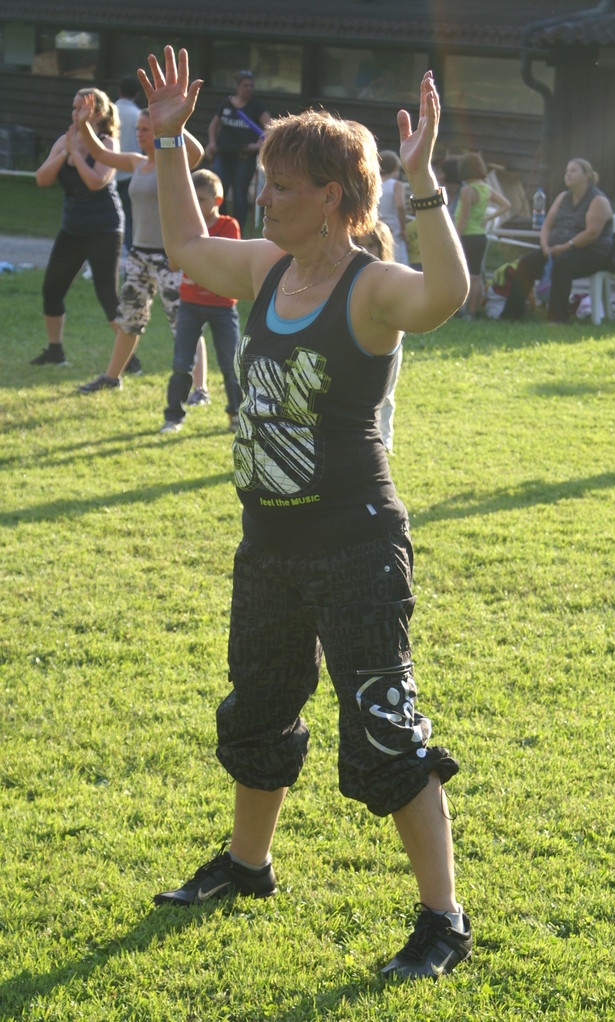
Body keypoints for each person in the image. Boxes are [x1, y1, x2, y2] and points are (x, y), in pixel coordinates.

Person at [139, 45, 471, 982]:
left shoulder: (370, 288)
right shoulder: (266, 270)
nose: (264, 198)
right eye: (262, 181)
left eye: (281, 186)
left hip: (356, 547)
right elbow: (186, 246)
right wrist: (166, 145)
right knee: (259, 709)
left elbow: (447, 296)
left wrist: (423, 183)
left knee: (383, 730)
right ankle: (247, 865)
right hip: (270, 548)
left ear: (332, 197)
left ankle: (443, 920)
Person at [73, 97, 203, 393]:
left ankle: (200, 389)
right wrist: (83, 125)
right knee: (129, 320)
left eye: (146, 129)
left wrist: (175, 121)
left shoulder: (175, 164)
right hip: (139, 255)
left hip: (170, 257)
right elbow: (100, 154)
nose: (140, 134)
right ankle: (111, 378)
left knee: (183, 323)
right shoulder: (137, 163)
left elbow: (197, 151)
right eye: (139, 129)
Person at [30, 88, 123, 367]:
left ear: (98, 113)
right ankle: (55, 351)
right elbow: (41, 179)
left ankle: (129, 358)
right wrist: (65, 151)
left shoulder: (107, 143)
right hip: (72, 229)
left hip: (104, 229)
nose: (74, 114)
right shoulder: (65, 140)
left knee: (108, 297)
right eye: (73, 108)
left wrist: (77, 155)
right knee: (52, 290)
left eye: (81, 108)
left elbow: (95, 182)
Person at [160, 169, 242, 433]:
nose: (194, 205)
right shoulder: (183, 225)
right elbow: (174, 263)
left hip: (222, 306)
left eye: (201, 199)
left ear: (217, 201)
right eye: (191, 199)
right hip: (190, 304)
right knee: (181, 364)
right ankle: (173, 417)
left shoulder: (229, 225)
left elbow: (228, 261)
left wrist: (195, 259)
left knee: (231, 365)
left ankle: (237, 416)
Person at [500, 158, 614, 324]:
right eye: (566, 171)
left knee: (562, 264)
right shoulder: (563, 197)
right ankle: (511, 315)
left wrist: (565, 247)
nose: (568, 174)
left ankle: (558, 318)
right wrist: (545, 246)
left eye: (573, 171)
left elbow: (592, 233)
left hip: (591, 252)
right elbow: (547, 225)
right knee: (526, 263)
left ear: (587, 176)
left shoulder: (598, 200)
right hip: (557, 250)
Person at [205, 70, 271, 236]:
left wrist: (258, 144)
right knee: (219, 190)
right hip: (223, 153)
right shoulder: (226, 103)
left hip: (244, 156)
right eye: (245, 85)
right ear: (237, 86)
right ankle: (220, 226)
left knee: (240, 193)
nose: (248, 89)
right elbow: (214, 124)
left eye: (251, 86)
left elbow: (270, 127)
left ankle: (237, 229)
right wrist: (212, 142)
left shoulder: (256, 106)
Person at [354, 221, 400, 453]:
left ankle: (384, 441)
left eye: (370, 245)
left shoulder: (392, 277)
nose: (364, 250)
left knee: (385, 391)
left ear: (382, 247)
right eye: (359, 244)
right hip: (356, 340)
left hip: (387, 341)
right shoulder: (349, 274)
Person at [454, 152, 510, 319]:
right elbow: (506, 205)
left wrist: (454, 238)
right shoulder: (486, 189)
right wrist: (488, 218)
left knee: (461, 275)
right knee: (476, 276)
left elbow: (463, 217)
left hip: (466, 236)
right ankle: (471, 312)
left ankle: (458, 309)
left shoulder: (467, 190)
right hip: (480, 236)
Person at [115, 75, 141, 256]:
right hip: (131, 171)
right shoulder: (138, 115)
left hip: (108, 170)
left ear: (119, 91)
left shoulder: (109, 111)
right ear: (136, 94)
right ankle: (132, 252)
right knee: (130, 216)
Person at [378, 150, 409, 265]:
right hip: (394, 230)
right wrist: (403, 229)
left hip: (378, 229)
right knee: (400, 263)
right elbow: (400, 206)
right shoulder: (396, 185)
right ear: (396, 167)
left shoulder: (375, 185)